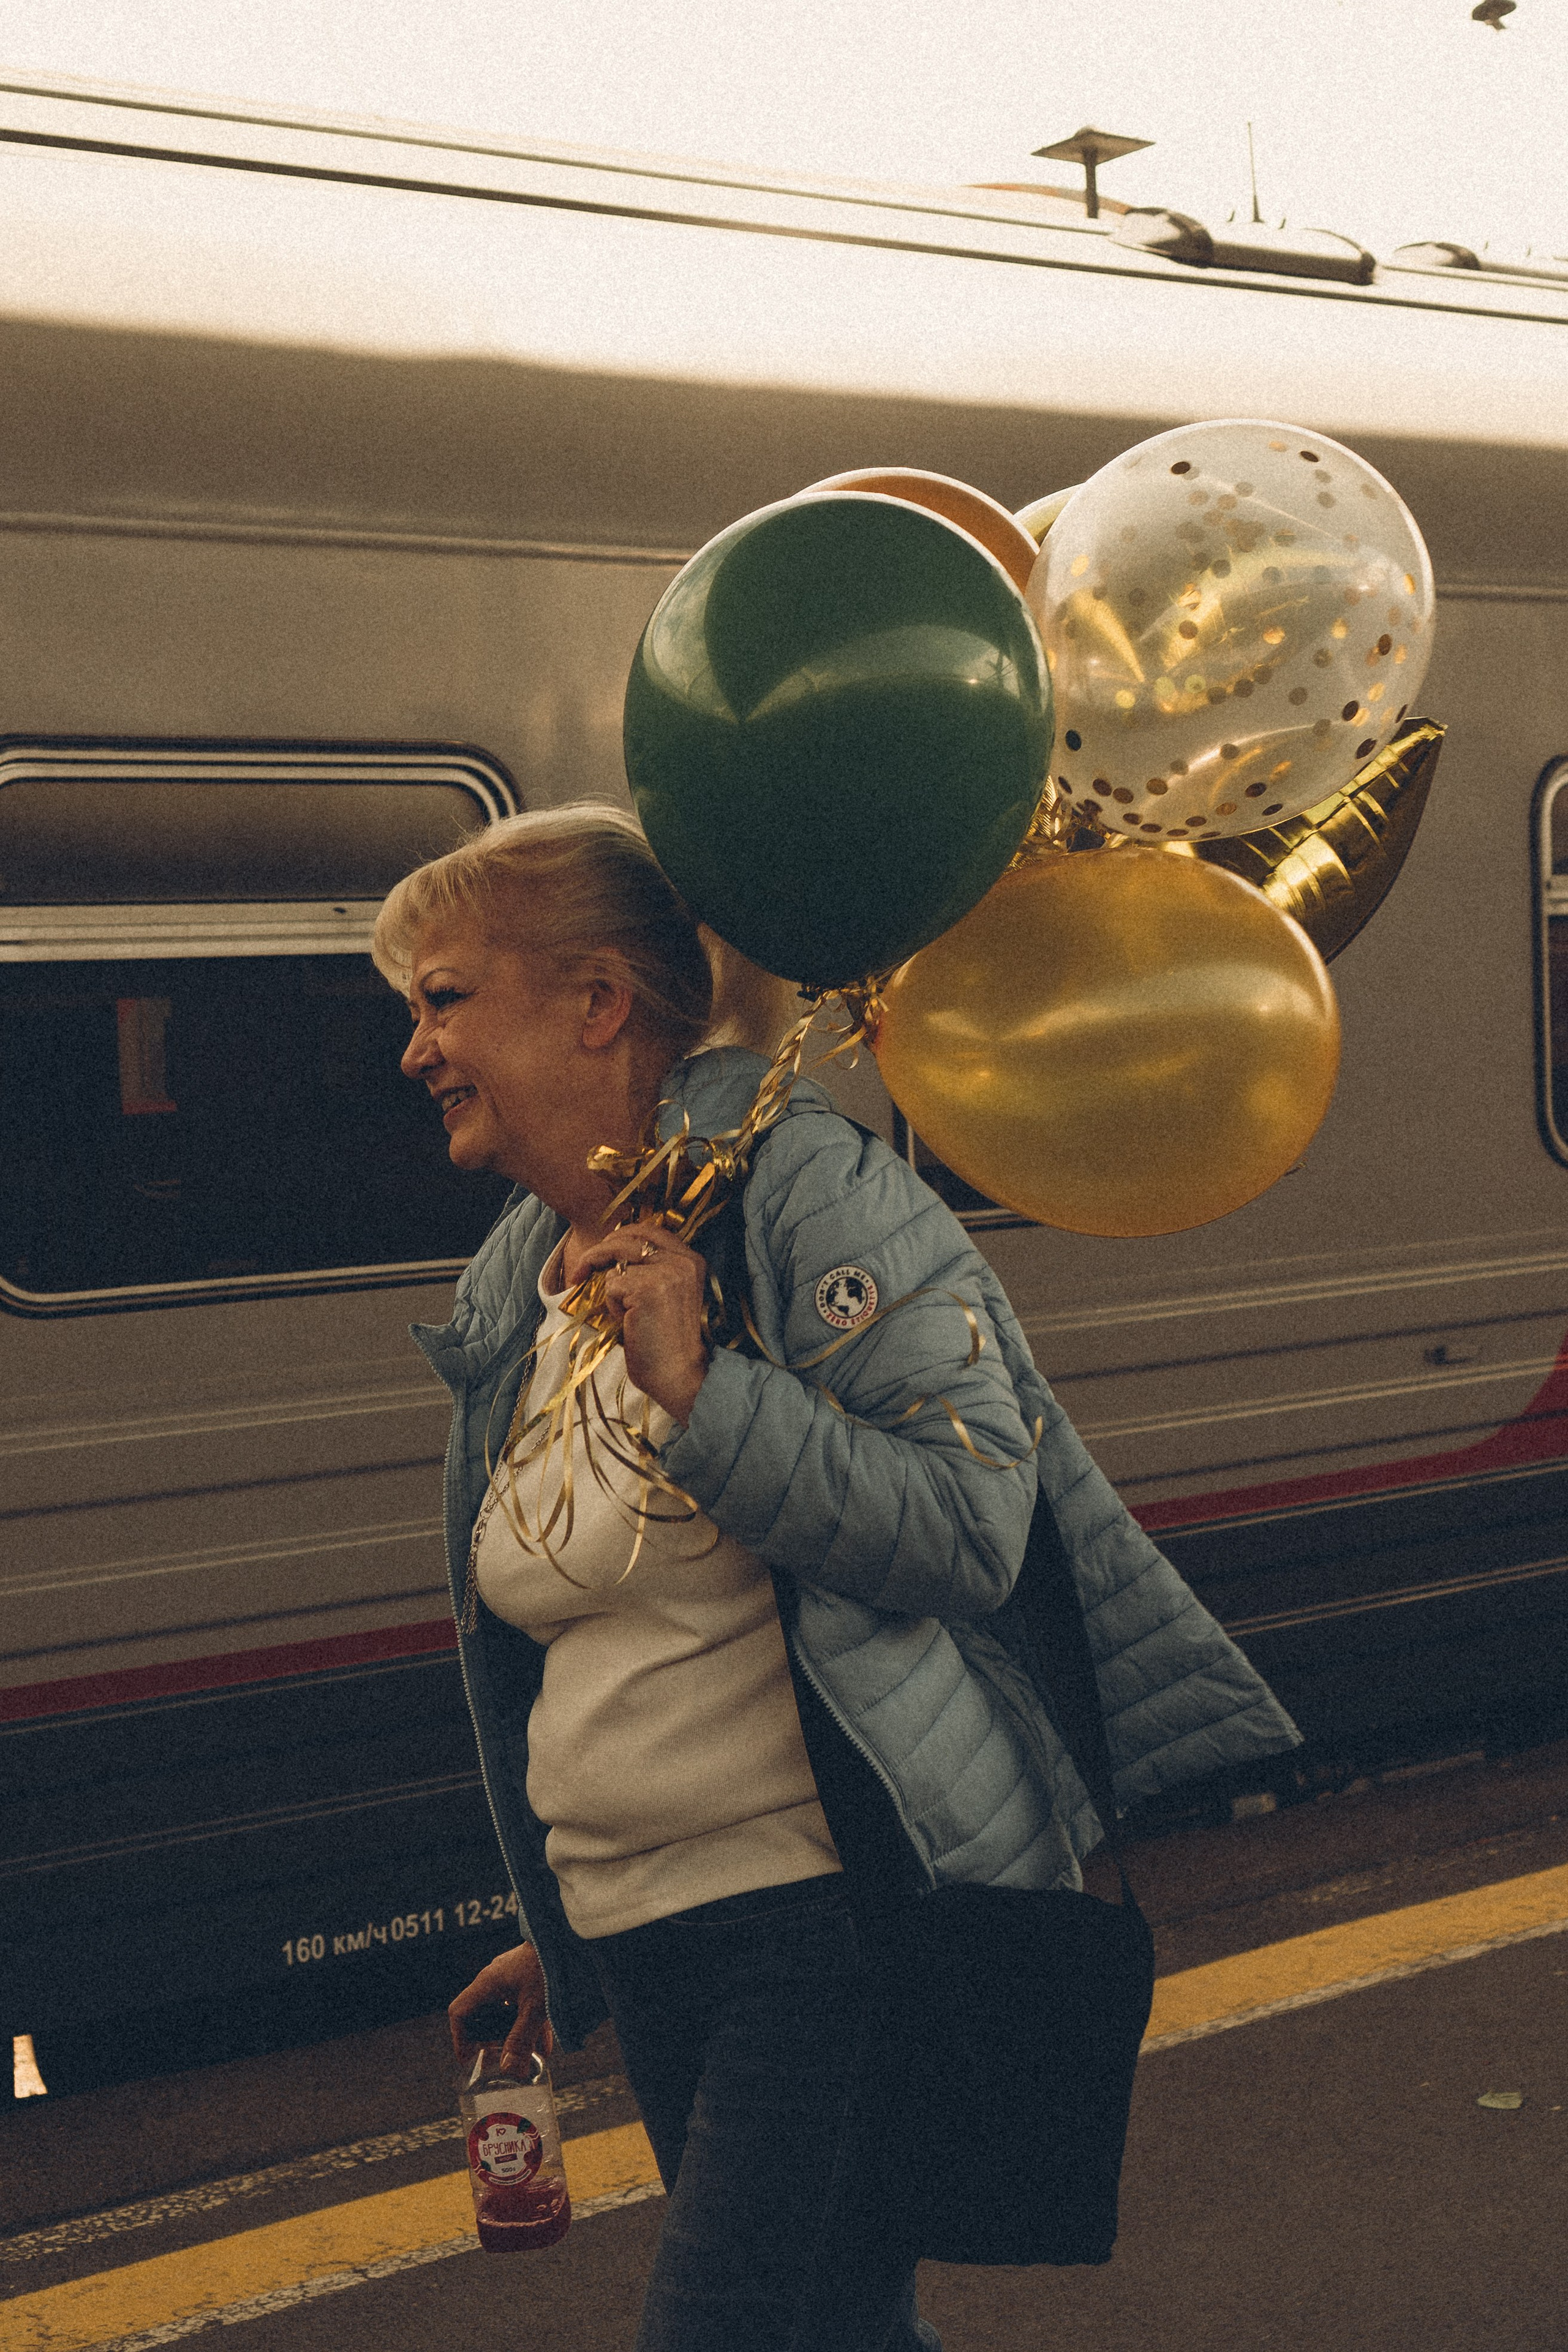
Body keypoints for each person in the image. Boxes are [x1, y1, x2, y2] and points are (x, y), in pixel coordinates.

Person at [374, 803, 1298, 2352]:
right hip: (649, 1934)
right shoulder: (509, 1274)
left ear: (598, 1003)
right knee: (841, 2332)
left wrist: (710, 1394)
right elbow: (598, 1637)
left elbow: (963, 1526)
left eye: (445, 999)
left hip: (828, 1925)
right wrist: (562, 1918)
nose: (416, 1051)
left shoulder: (808, 1194)